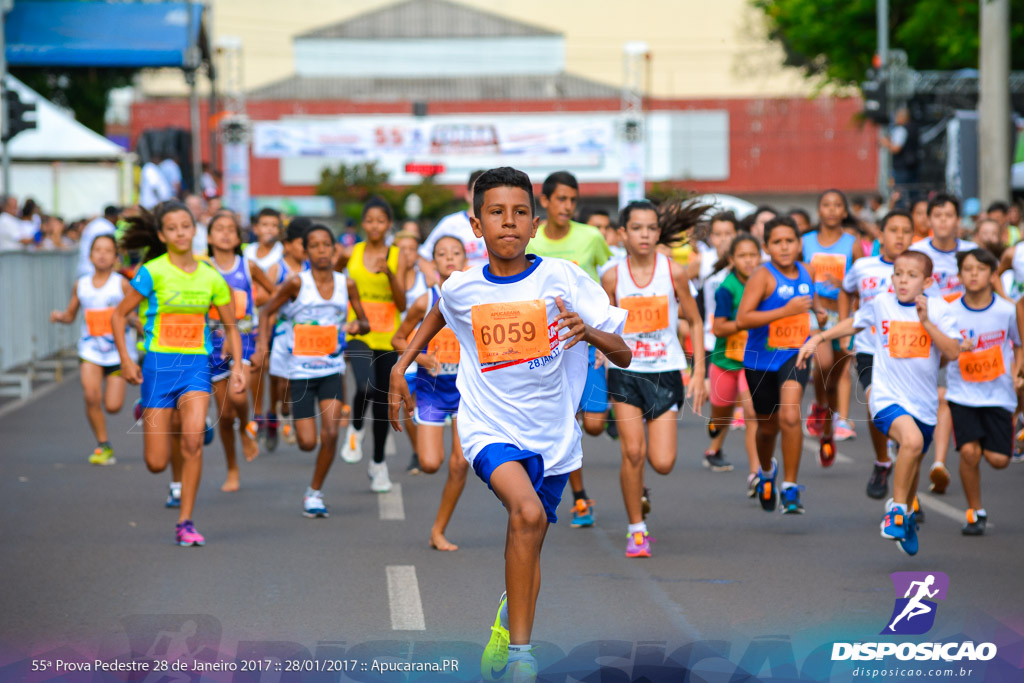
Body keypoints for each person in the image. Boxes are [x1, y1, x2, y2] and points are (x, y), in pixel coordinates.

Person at [387, 167, 631, 681]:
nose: (509, 222)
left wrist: (587, 332)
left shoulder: (562, 279)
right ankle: (522, 654)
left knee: (532, 532)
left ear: (535, 223)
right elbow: (438, 311)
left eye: (520, 212)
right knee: (525, 514)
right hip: (487, 427)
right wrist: (400, 364)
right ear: (477, 226)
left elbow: (624, 353)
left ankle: (508, 620)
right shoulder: (462, 287)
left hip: (553, 435)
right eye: (496, 212)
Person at [799, 251, 961, 555]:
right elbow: (853, 323)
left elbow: (952, 351)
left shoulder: (939, 310)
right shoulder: (882, 303)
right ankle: (898, 510)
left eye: (911, 276)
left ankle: (908, 516)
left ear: (927, 281)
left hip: (923, 403)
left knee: (912, 459)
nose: (903, 280)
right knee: (910, 441)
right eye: (898, 273)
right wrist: (819, 339)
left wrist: (926, 322)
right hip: (887, 396)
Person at [111, 201, 246, 547]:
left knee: (192, 442)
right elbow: (118, 315)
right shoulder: (152, 272)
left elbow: (231, 323)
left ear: (193, 229)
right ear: (162, 235)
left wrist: (239, 364)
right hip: (158, 367)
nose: (181, 233)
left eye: (186, 226)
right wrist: (126, 360)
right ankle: (148, 407)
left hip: (195, 367)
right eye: (172, 228)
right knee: (155, 463)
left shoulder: (210, 276)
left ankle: (185, 522)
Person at [602, 198, 707, 557]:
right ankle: (636, 529)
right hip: (625, 371)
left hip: (665, 370)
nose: (644, 235)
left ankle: (639, 490)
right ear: (622, 234)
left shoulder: (674, 272)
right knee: (633, 451)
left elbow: (694, 320)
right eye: (636, 228)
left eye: (650, 228)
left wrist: (699, 373)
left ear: (658, 233)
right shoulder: (613, 276)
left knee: (662, 463)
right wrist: (601, 356)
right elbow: (603, 326)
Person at [254, 224, 370, 518]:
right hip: (300, 372)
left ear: (334, 249)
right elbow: (267, 310)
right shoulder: (296, 283)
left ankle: (314, 492)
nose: (321, 251)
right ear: (306, 251)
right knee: (307, 443)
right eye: (315, 246)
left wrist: (356, 326)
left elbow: (365, 322)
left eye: (326, 245)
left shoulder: (347, 284)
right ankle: (288, 421)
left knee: (330, 434)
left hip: (331, 369)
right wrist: (261, 346)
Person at [527, 170, 613, 527]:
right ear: (545, 201)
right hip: (546, 348)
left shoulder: (591, 237)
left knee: (593, 425)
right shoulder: (532, 242)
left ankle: (604, 416)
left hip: (585, 343)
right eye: (561, 199)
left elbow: (610, 278)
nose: (568, 206)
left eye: (573, 200)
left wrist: (608, 334)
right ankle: (579, 497)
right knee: (568, 420)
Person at [736, 216, 824, 515]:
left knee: (789, 416)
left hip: (794, 353)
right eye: (777, 242)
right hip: (760, 359)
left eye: (790, 241)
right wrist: (784, 310)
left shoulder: (807, 270)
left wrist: (821, 315)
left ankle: (790, 486)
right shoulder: (762, 275)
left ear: (799, 244)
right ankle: (765, 471)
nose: (784, 247)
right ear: (766, 246)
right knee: (767, 428)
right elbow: (743, 319)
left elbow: (814, 304)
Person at [392, 235, 469, 550]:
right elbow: (399, 339)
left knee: (460, 463)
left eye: (455, 253)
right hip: (432, 392)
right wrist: (421, 357)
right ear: (432, 262)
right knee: (430, 463)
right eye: (442, 253)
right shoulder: (424, 300)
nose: (449, 258)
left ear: (465, 260)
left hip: (467, 393)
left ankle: (438, 531)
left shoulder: (476, 298)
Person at [840, 210, 915, 499]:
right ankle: (884, 460)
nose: (900, 236)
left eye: (906, 231)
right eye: (893, 230)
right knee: (875, 407)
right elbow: (847, 291)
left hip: (908, 352)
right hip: (871, 349)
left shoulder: (921, 267)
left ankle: (907, 486)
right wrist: (847, 327)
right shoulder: (864, 266)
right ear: (880, 235)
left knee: (910, 418)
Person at [337, 196, 409, 492]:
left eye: (381, 221)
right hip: (359, 332)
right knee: (364, 386)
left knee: (381, 404)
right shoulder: (350, 253)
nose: (375, 226)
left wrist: (389, 273)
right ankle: (355, 428)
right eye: (370, 220)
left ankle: (378, 464)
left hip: (387, 335)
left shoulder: (397, 255)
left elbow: (402, 302)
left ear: (389, 224)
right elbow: (331, 278)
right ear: (363, 224)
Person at [946, 249, 1020, 536]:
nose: (973, 274)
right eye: (967, 269)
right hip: (962, 393)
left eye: (980, 269)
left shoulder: (1007, 310)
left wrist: (1017, 372)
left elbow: (1018, 343)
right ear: (960, 275)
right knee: (968, 453)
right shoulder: (951, 312)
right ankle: (975, 511)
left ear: (992, 274)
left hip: (999, 393)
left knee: (999, 460)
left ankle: (1005, 442)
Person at [50, 234, 137, 465]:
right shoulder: (82, 285)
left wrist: (133, 321)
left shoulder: (121, 284)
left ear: (116, 258)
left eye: (108, 250)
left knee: (113, 406)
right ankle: (103, 444)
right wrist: (60, 316)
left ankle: (138, 407)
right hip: (90, 350)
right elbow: (71, 314)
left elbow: (132, 314)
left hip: (118, 352)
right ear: (89, 256)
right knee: (90, 395)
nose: (102, 254)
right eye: (97, 250)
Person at [910, 193, 977, 495]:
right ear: (928, 220)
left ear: (958, 220)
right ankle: (922, 464)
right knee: (935, 398)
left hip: (965, 336)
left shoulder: (972, 252)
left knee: (946, 397)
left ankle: (938, 463)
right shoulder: (918, 252)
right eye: (937, 216)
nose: (943, 222)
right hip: (929, 334)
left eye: (949, 216)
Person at [206, 210, 278, 491]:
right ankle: (232, 468)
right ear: (209, 236)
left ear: (238, 238)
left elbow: (274, 295)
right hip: (211, 344)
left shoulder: (248, 267)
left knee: (239, 393)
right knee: (224, 415)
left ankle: (247, 425)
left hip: (245, 339)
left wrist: (261, 334)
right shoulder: (202, 268)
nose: (225, 233)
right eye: (219, 228)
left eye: (230, 229)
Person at [802, 189, 858, 450]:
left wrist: (843, 283)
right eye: (827, 204)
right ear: (819, 210)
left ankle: (833, 416)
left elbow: (860, 281)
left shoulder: (852, 243)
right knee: (822, 363)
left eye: (838, 205)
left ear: (845, 212)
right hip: (817, 313)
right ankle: (822, 406)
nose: (833, 209)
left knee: (838, 374)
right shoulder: (806, 241)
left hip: (844, 315)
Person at [708, 234, 763, 491]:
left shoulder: (765, 283)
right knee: (721, 412)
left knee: (752, 413)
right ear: (732, 260)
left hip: (752, 361)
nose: (749, 260)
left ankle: (756, 473)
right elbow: (718, 328)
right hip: (724, 359)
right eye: (743, 256)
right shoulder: (727, 288)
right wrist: (745, 322)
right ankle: (715, 443)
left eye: (753, 255)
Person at [267, 218, 312, 447]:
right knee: (280, 382)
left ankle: (292, 417)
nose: (306, 249)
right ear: (287, 245)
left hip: (305, 333)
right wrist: (279, 292)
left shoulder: (311, 267)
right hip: (281, 330)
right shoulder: (277, 268)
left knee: (300, 379)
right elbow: (263, 297)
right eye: (301, 244)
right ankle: (278, 412)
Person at [243, 207, 285, 447]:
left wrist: (264, 299)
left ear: (279, 230)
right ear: (256, 228)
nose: (268, 229)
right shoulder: (247, 253)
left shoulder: (280, 255)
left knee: (275, 371)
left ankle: (272, 412)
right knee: (256, 367)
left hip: (275, 319)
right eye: (264, 225)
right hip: (250, 320)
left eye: (273, 225)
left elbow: (277, 292)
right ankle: (258, 414)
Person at [418, 170, 489, 279]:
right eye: (477, 191)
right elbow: (423, 257)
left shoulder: (499, 223)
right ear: (467, 195)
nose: (482, 196)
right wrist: (437, 284)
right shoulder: (450, 223)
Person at [881, 108, 919, 194]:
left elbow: (896, 148)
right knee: (912, 191)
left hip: (901, 167)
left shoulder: (901, 130)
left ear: (902, 117)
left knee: (901, 192)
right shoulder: (913, 127)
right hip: (912, 165)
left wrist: (887, 143)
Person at [77, 206, 120, 278]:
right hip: (95, 269)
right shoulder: (107, 227)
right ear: (114, 216)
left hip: (85, 267)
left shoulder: (95, 223)